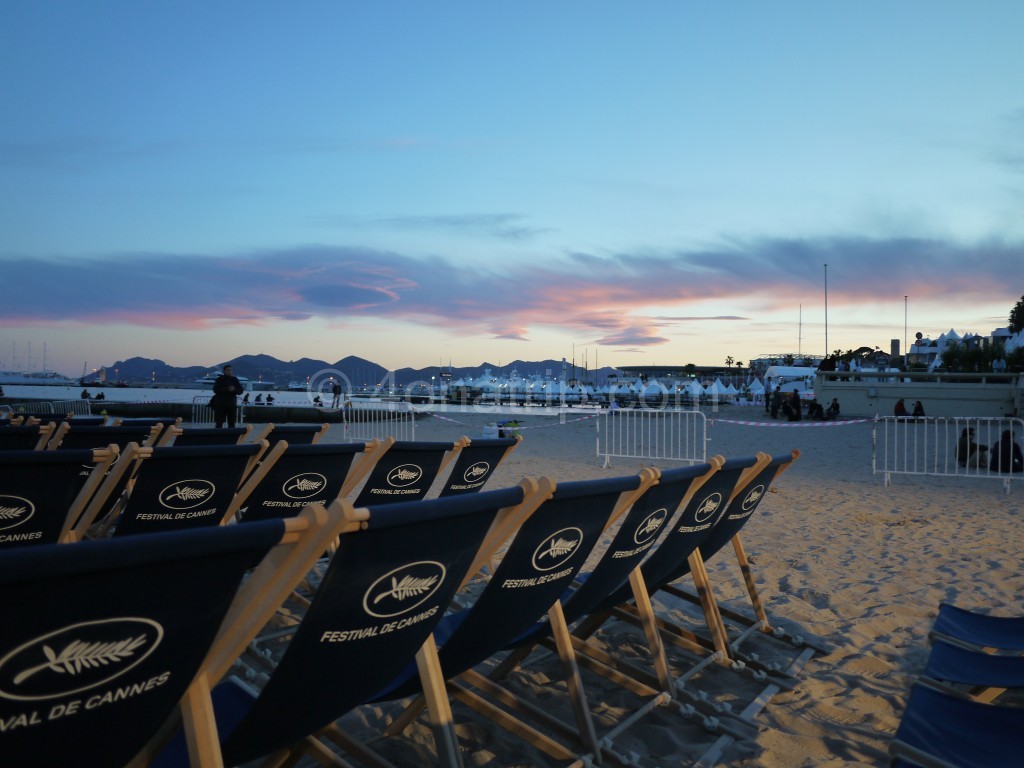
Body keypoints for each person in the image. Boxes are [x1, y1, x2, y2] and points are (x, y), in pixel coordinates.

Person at [212, 364, 242, 428]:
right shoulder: (219, 379)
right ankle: (217, 437)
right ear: (224, 371)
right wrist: (226, 389)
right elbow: (215, 390)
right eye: (228, 370)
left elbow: (240, 391)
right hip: (220, 405)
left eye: (231, 370)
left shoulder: (235, 379)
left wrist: (234, 389)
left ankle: (231, 437)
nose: (230, 371)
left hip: (232, 405)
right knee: (219, 423)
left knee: (232, 423)